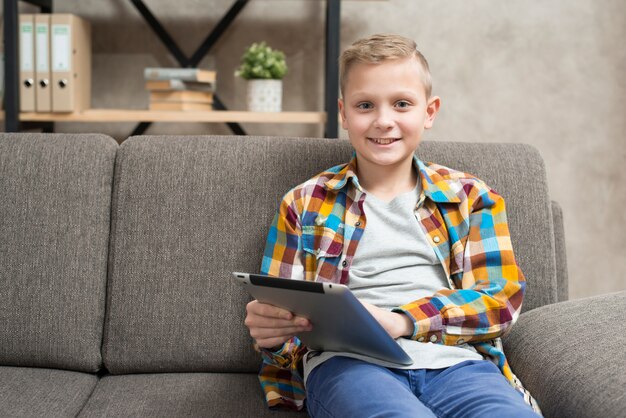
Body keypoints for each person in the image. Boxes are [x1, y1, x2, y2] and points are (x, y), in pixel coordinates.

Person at [244, 33, 542, 417]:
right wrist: (272, 335)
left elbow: (499, 301)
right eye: (365, 105)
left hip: (456, 363)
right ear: (344, 113)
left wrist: (402, 321)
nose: (384, 121)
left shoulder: (470, 196)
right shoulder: (304, 202)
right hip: (347, 365)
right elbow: (287, 332)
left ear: (429, 111)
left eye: (402, 104)